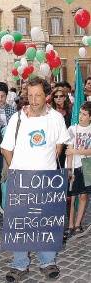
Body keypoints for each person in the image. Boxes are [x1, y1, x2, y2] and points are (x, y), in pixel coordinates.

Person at [1, 77, 69, 282]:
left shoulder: (56, 118)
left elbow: (59, 146)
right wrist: (18, 170)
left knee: (45, 221)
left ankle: (47, 262)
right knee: (20, 223)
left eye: (37, 95)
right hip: (22, 179)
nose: (33, 99)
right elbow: (6, 148)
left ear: (46, 95)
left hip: (46, 180)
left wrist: (45, 166)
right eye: (29, 95)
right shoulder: (17, 119)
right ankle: (19, 264)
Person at [64, 101, 91, 239]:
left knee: (84, 195)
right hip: (74, 164)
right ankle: (70, 224)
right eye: (80, 113)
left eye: (85, 114)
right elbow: (69, 151)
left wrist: (77, 150)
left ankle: (78, 224)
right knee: (73, 195)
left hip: (87, 165)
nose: (81, 116)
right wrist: (69, 169)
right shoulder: (72, 129)